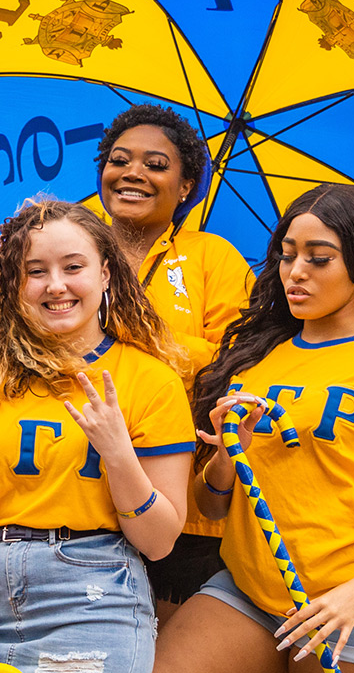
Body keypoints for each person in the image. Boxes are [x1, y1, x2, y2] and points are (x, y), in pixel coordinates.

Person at [147, 185, 354, 673]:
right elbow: (211, 502)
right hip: (251, 591)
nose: (295, 272)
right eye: (287, 256)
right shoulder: (253, 360)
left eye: (320, 259)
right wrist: (229, 458)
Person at [0, 200, 195, 673]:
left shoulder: (150, 381)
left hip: (94, 602)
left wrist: (118, 453)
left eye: (73, 267)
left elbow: (158, 541)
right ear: (14, 284)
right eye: (36, 271)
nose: (55, 285)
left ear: (106, 275)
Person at [91, 104, 256, 616]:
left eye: (156, 165)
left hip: (183, 508)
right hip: (79, 499)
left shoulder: (214, 258)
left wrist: (135, 334)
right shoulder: (66, 254)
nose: (133, 173)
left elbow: (233, 365)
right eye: (119, 160)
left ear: (186, 186)